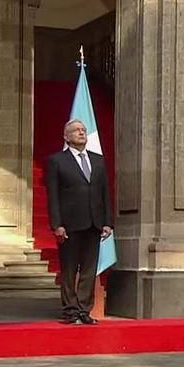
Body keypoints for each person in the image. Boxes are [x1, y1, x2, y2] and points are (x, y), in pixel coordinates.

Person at [45, 119, 113, 325]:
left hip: (94, 223)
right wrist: (57, 224)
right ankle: (70, 311)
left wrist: (107, 222)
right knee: (69, 269)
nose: (81, 133)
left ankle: (84, 310)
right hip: (69, 225)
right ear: (66, 137)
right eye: (76, 130)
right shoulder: (57, 161)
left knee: (89, 270)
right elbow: (53, 195)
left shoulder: (98, 161)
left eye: (83, 130)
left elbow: (104, 194)